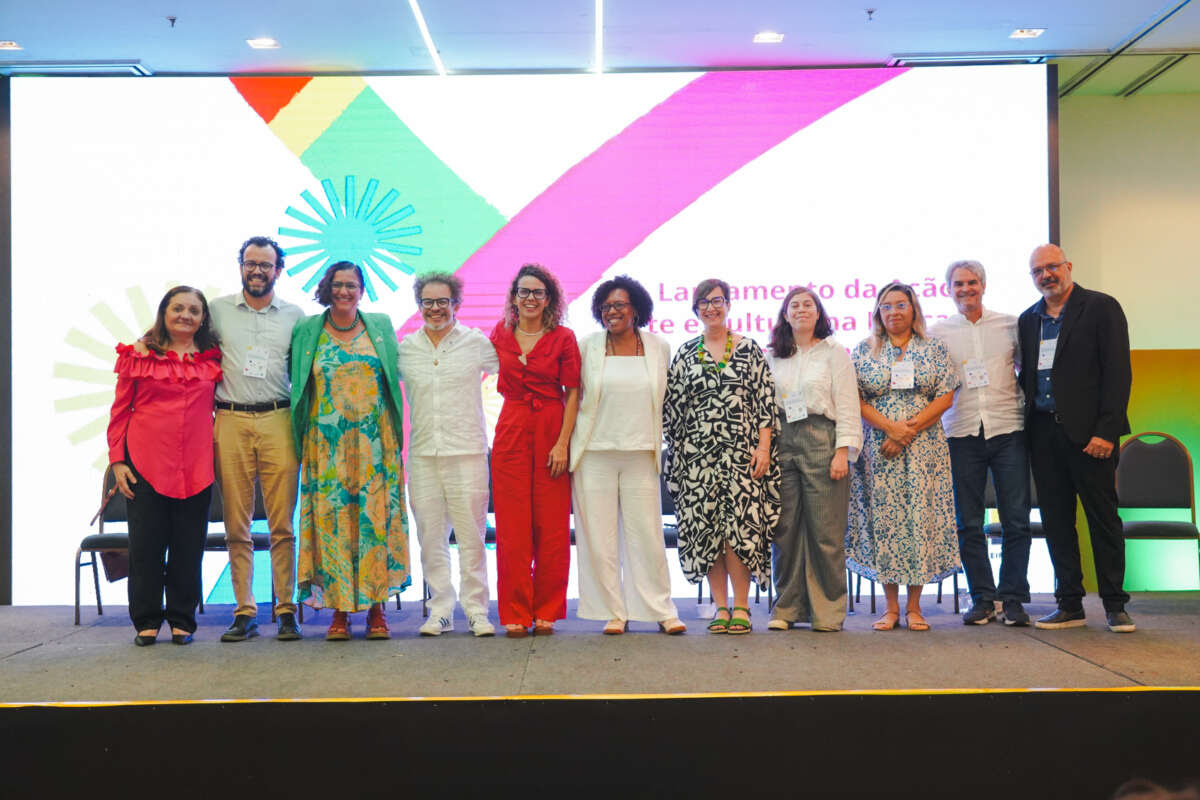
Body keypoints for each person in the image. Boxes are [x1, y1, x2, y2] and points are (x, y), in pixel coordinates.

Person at [290, 261, 411, 640]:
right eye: (338, 284)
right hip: (326, 447)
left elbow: (394, 377)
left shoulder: (381, 326)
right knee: (333, 525)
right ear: (327, 287)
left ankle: (376, 610)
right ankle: (339, 611)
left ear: (362, 290)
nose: (344, 291)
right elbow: (297, 381)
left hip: (376, 444)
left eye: (352, 285)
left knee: (374, 523)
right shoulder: (307, 329)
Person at [1019, 244, 1133, 632]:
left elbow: (1118, 372)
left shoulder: (1101, 307)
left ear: (1068, 266)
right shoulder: (1029, 319)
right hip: (1043, 434)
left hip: (1091, 438)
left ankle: (1115, 605)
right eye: (1037, 271)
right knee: (1056, 522)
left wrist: (1107, 431)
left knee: (1103, 520)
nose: (1046, 275)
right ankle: (1069, 604)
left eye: (1052, 267)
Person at [106, 287, 222, 646]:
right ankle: (146, 620)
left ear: (203, 318)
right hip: (146, 463)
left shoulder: (213, 358)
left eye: (194, 310)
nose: (186, 315)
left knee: (189, 547)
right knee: (146, 547)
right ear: (164, 312)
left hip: (196, 466)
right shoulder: (139, 355)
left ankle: (182, 619)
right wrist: (117, 460)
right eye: (178, 308)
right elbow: (120, 411)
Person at [570, 275, 686, 635]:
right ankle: (614, 612)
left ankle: (661, 609)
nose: (612, 312)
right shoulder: (587, 346)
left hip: (641, 453)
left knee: (647, 536)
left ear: (636, 308)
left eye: (619, 305)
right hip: (594, 454)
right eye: (605, 307)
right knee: (600, 539)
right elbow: (572, 396)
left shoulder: (658, 346)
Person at [663, 278, 780, 635]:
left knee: (739, 531)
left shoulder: (749, 349)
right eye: (703, 302)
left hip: (742, 457)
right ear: (695, 309)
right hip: (698, 460)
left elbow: (765, 404)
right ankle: (721, 607)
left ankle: (741, 606)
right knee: (708, 532)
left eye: (717, 301)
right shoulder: (685, 353)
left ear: (728, 304)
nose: (711, 308)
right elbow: (673, 411)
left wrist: (763, 449)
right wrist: (680, 457)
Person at [846, 282, 959, 632]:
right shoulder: (863, 350)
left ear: (913, 309)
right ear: (877, 313)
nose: (893, 312)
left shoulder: (935, 348)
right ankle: (890, 607)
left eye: (900, 305)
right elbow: (855, 399)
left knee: (919, 521)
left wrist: (906, 431)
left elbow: (945, 396)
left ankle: (915, 607)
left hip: (924, 448)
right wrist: (890, 429)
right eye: (886, 306)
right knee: (885, 524)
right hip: (878, 450)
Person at [210, 236, 306, 643]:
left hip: (278, 418)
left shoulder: (295, 316)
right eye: (250, 263)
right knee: (237, 523)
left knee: (282, 523)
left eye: (266, 265)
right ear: (241, 266)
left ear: (278, 270)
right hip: (230, 418)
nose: (257, 271)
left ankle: (285, 609)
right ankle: (244, 610)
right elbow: (178, 336)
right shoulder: (216, 311)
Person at [930, 260, 1033, 627]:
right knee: (968, 523)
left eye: (972, 282)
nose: (965, 289)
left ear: (983, 286)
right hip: (961, 433)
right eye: (958, 284)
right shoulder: (937, 333)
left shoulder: (1009, 325)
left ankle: (1014, 599)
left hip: (1008, 429)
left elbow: (1026, 369)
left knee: (1016, 520)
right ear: (949, 290)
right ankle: (982, 598)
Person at [398, 271, 498, 638]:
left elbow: (514, 373)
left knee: (471, 538)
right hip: (423, 456)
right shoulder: (406, 349)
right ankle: (440, 610)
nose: (435, 308)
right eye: (428, 302)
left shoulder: (476, 342)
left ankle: (476, 610)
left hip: (467, 453)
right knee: (430, 539)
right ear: (419, 305)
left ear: (456, 304)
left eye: (443, 301)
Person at [489, 264, 580, 638]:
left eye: (537, 292)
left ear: (549, 299)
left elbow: (573, 393)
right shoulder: (499, 333)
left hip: (550, 429)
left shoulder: (564, 337)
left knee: (552, 528)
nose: (530, 298)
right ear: (514, 297)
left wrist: (562, 443)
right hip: (511, 430)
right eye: (523, 291)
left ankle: (546, 610)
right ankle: (514, 610)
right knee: (512, 529)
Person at [765, 287, 861, 632]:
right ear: (785, 314)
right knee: (785, 530)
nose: (801, 310)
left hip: (822, 439)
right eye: (794, 305)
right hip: (782, 441)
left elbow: (847, 404)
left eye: (808, 304)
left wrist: (843, 452)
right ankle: (786, 609)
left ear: (818, 313)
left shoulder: (834, 353)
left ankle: (827, 612)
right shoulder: (772, 355)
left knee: (825, 531)